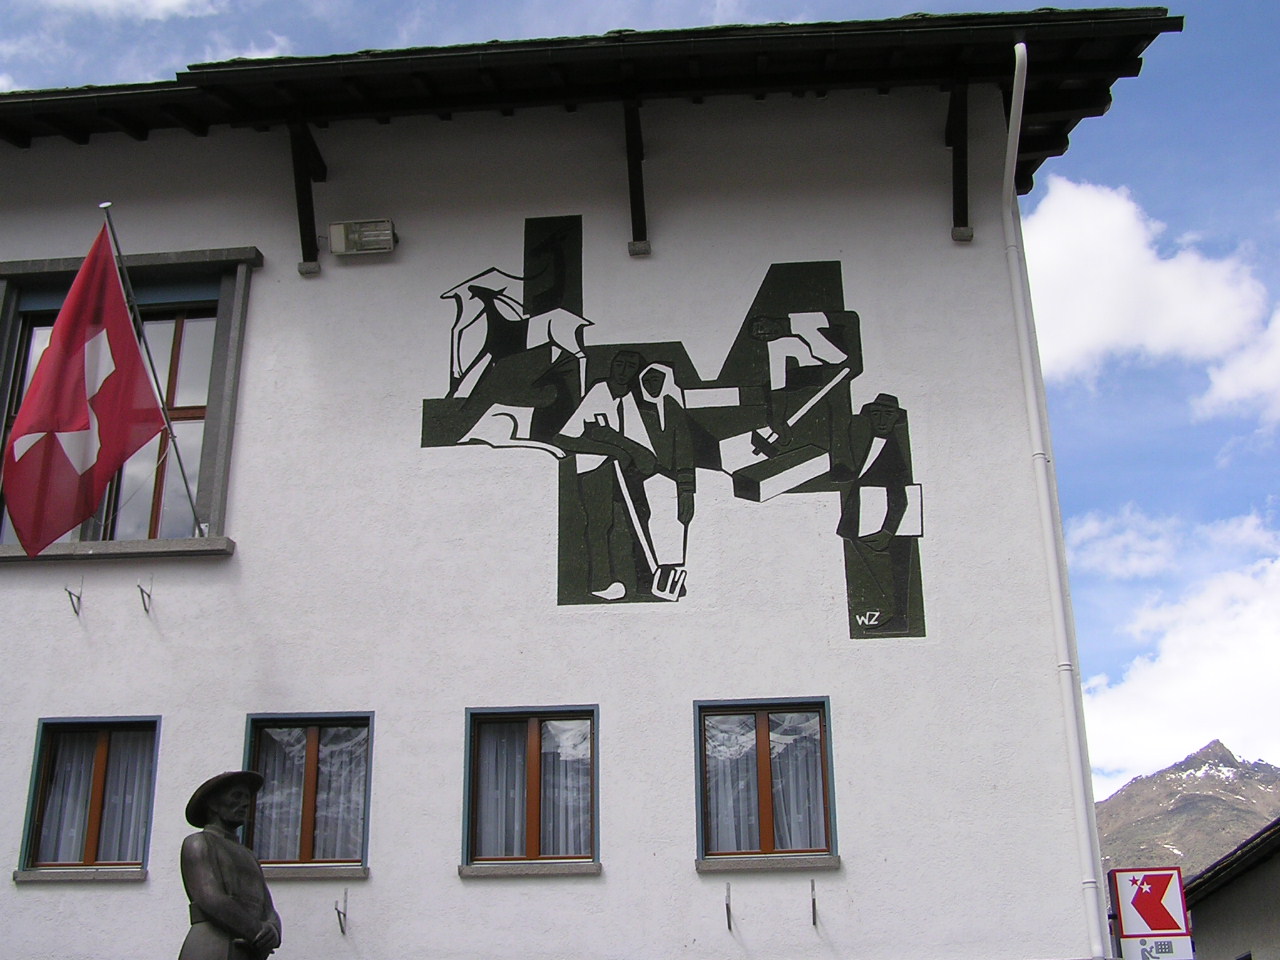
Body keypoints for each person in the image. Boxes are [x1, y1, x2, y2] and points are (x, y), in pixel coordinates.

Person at [179, 771, 282, 960]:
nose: (245, 803)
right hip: (212, 946)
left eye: (247, 798)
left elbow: (268, 908)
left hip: (249, 949)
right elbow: (211, 898)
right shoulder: (199, 843)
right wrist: (257, 932)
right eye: (236, 796)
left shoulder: (250, 856)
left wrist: (273, 931)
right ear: (213, 804)